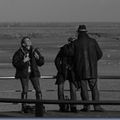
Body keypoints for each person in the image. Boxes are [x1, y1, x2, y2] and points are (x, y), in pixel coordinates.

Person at [71, 25, 104, 111]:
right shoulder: (93, 41)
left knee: (84, 89)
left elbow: (72, 56)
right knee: (94, 89)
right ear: (86, 32)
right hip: (92, 70)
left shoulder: (75, 43)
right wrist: (93, 61)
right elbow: (100, 54)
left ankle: (86, 107)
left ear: (78, 32)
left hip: (81, 71)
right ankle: (97, 106)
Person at [12, 36, 44, 113]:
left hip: (34, 73)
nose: (29, 41)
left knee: (38, 90)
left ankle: (39, 107)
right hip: (24, 74)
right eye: (27, 40)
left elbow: (41, 63)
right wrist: (24, 61)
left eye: (29, 40)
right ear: (23, 44)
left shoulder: (34, 51)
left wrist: (38, 58)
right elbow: (15, 64)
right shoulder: (19, 52)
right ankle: (24, 107)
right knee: (25, 90)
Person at [54, 37, 77, 112]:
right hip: (73, 71)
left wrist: (60, 69)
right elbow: (79, 61)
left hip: (63, 71)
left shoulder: (63, 48)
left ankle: (62, 106)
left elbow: (57, 60)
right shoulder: (77, 49)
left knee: (60, 89)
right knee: (73, 90)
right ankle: (73, 106)